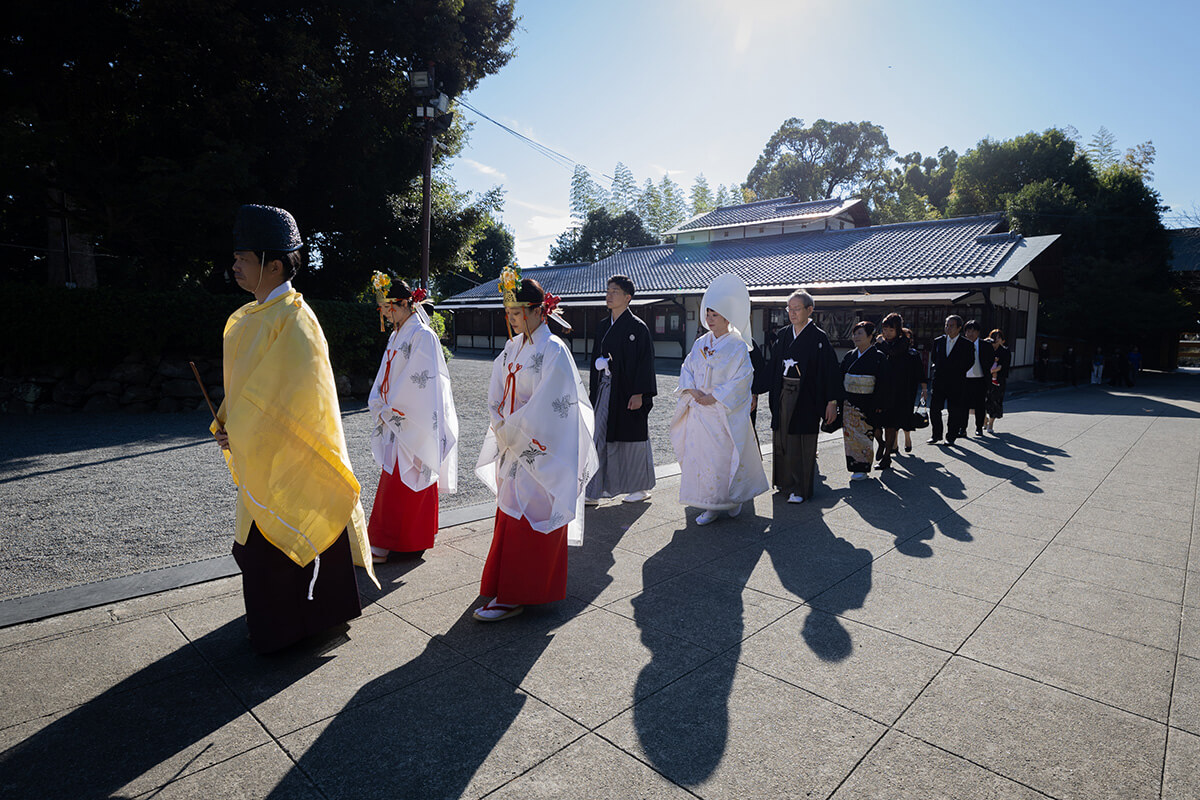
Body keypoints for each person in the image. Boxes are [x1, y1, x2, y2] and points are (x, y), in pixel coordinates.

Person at [212, 204, 378, 654]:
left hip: (293, 448)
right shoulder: (256, 315)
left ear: (275, 264)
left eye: (243, 258)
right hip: (263, 445)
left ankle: (297, 626)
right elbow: (249, 388)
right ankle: (291, 622)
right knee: (265, 543)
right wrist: (228, 421)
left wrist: (243, 428)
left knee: (286, 533)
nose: (235, 265)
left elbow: (289, 399)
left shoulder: (295, 320)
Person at [474, 271, 597, 621]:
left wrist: (513, 428)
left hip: (538, 446)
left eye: (517, 313)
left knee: (530, 512)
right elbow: (496, 392)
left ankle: (518, 593)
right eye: (509, 313)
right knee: (510, 510)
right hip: (513, 443)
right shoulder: (514, 347)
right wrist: (500, 421)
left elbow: (551, 405)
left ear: (537, 312)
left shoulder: (553, 349)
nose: (512, 320)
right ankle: (505, 586)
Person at [365, 273, 459, 563]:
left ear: (404, 303)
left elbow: (422, 381)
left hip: (414, 414)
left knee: (410, 472)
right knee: (396, 475)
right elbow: (387, 373)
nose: (383, 310)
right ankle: (393, 538)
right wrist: (380, 401)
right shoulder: (397, 334)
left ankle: (401, 540)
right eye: (382, 305)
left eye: (387, 304)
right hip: (397, 413)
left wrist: (392, 407)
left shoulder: (423, 335)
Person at [671, 273, 769, 524]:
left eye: (715, 315)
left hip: (722, 412)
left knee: (723, 459)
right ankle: (711, 505)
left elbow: (743, 378)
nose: (710, 320)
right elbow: (687, 367)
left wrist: (715, 396)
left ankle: (730, 499)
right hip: (700, 412)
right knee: (702, 458)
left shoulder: (738, 346)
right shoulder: (701, 342)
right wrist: (692, 390)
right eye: (708, 314)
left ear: (727, 317)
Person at [585, 274, 657, 505]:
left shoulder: (638, 327)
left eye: (614, 291)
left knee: (631, 440)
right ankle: (594, 489)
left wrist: (640, 393)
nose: (609, 295)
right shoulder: (604, 326)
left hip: (627, 392)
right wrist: (599, 367)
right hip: (606, 389)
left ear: (628, 297)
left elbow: (644, 363)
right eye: (608, 290)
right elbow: (597, 355)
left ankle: (639, 488)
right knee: (597, 437)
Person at [767, 290, 840, 504]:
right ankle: (784, 483)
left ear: (810, 310)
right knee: (781, 439)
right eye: (789, 308)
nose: (792, 313)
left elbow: (830, 371)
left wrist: (832, 401)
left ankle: (800, 488)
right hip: (782, 393)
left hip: (806, 397)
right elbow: (772, 368)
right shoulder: (783, 335)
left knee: (801, 442)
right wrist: (753, 389)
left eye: (796, 308)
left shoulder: (819, 337)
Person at [839, 321, 888, 480]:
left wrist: (879, 403)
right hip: (849, 403)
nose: (856, 337)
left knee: (864, 435)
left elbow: (883, 383)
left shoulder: (879, 357)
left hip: (868, 402)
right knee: (851, 436)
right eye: (855, 333)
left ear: (870, 336)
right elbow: (841, 378)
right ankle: (854, 466)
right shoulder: (849, 356)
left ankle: (863, 468)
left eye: (860, 333)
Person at [875, 314, 925, 464]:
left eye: (891, 329)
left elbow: (893, 352)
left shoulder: (903, 342)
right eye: (885, 329)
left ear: (898, 329)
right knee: (876, 424)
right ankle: (881, 443)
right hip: (880, 388)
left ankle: (887, 456)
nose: (887, 333)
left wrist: (881, 342)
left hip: (898, 389)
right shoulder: (880, 342)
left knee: (891, 424)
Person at [927, 314, 973, 445]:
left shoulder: (966, 344)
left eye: (952, 326)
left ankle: (951, 436)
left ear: (959, 328)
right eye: (946, 325)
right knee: (934, 409)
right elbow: (935, 358)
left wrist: (957, 371)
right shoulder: (938, 341)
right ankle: (936, 435)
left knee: (954, 410)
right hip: (939, 380)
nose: (948, 328)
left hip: (957, 382)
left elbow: (970, 361)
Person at [961, 320, 995, 437]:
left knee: (980, 405)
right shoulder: (961, 344)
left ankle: (979, 427)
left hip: (980, 379)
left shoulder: (985, 345)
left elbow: (991, 360)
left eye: (973, 331)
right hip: (964, 379)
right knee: (963, 405)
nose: (970, 333)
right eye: (968, 331)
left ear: (978, 332)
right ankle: (962, 428)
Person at [900, 327, 928, 454]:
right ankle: (893, 443)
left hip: (908, 389)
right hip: (892, 388)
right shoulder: (891, 351)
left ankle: (907, 438)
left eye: (908, 337)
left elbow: (920, 372)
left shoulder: (914, 354)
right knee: (892, 417)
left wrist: (924, 388)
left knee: (906, 414)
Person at [984, 328, 1011, 433]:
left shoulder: (1005, 351)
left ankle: (990, 424)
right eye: (994, 337)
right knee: (983, 401)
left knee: (995, 401)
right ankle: (985, 420)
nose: (996, 339)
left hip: (999, 379)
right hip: (985, 378)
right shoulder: (986, 349)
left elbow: (1004, 365)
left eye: (999, 337)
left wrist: (994, 370)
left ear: (1002, 340)